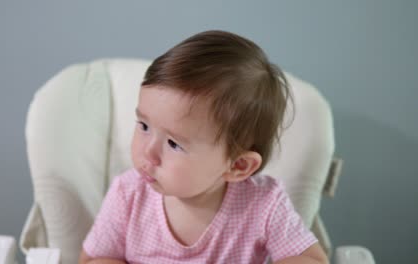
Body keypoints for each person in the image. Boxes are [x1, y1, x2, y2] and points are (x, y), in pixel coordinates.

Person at [79, 30, 328, 264]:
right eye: (144, 126)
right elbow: (92, 259)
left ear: (238, 165)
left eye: (174, 144)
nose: (148, 153)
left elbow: (312, 259)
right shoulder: (128, 194)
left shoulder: (263, 204)